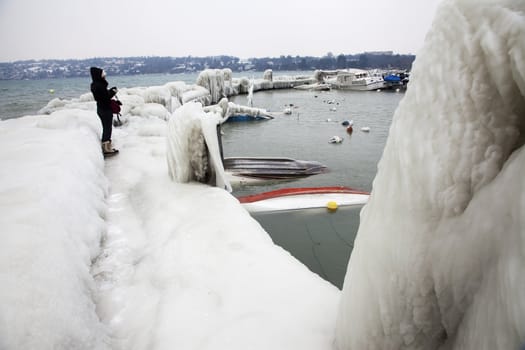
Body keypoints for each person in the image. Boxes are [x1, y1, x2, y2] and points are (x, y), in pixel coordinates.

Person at [90, 67, 119, 156]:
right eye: (102, 73)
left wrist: (110, 91)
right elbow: (105, 98)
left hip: (100, 108)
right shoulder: (100, 85)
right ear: (99, 74)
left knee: (105, 127)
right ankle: (107, 149)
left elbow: (103, 96)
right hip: (105, 109)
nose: (104, 74)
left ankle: (106, 146)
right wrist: (113, 92)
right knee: (107, 128)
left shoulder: (95, 84)